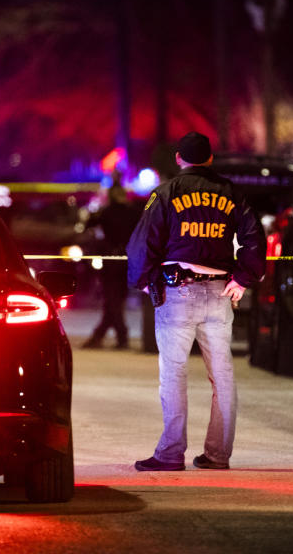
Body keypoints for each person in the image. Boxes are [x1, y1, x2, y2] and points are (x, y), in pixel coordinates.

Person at [126, 131, 264, 471]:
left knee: (173, 375)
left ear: (178, 158)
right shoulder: (231, 193)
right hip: (219, 294)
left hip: (178, 293)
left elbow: (142, 244)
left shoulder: (166, 193)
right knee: (223, 376)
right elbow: (254, 239)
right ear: (211, 159)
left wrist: (142, 282)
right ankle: (218, 455)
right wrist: (243, 279)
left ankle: (170, 454)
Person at [82, 184, 141, 349]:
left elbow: (88, 224)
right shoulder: (134, 212)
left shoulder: (107, 212)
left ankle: (119, 336)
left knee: (112, 300)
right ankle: (100, 336)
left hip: (110, 260)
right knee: (115, 301)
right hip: (127, 261)